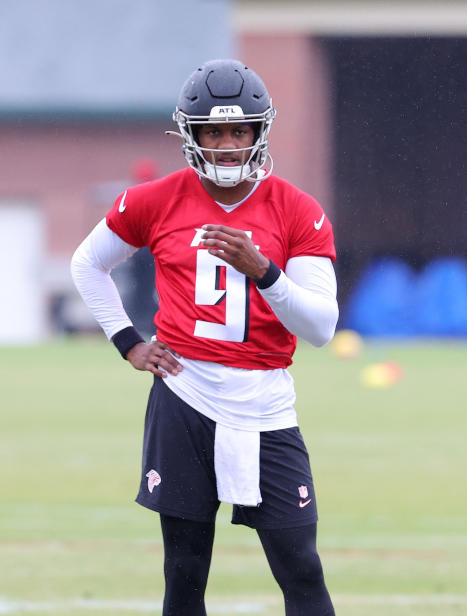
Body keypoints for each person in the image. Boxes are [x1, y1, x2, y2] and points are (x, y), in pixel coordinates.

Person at [71, 59, 339, 616]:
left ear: (259, 131)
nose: (227, 145)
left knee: (302, 567)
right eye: (213, 132)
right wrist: (128, 341)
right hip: (185, 393)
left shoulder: (297, 209)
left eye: (239, 130)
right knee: (185, 571)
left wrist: (264, 271)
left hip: (265, 399)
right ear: (190, 135)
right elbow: (87, 264)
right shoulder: (155, 198)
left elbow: (320, 327)